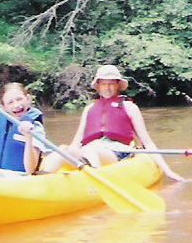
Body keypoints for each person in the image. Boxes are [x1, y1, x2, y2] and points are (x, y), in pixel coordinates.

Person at [40, 65, 184, 181]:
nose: (107, 88)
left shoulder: (129, 107)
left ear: (117, 86)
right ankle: (41, 182)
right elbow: (76, 142)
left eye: (111, 84)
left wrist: (167, 170)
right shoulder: (89, 109)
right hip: (89, 150)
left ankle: (96, 180)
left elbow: (147, 142)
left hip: (117, 151)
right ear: (98, 86)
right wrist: (68, 152)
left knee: (91, 150)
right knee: (62, 149)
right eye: (104, 84)